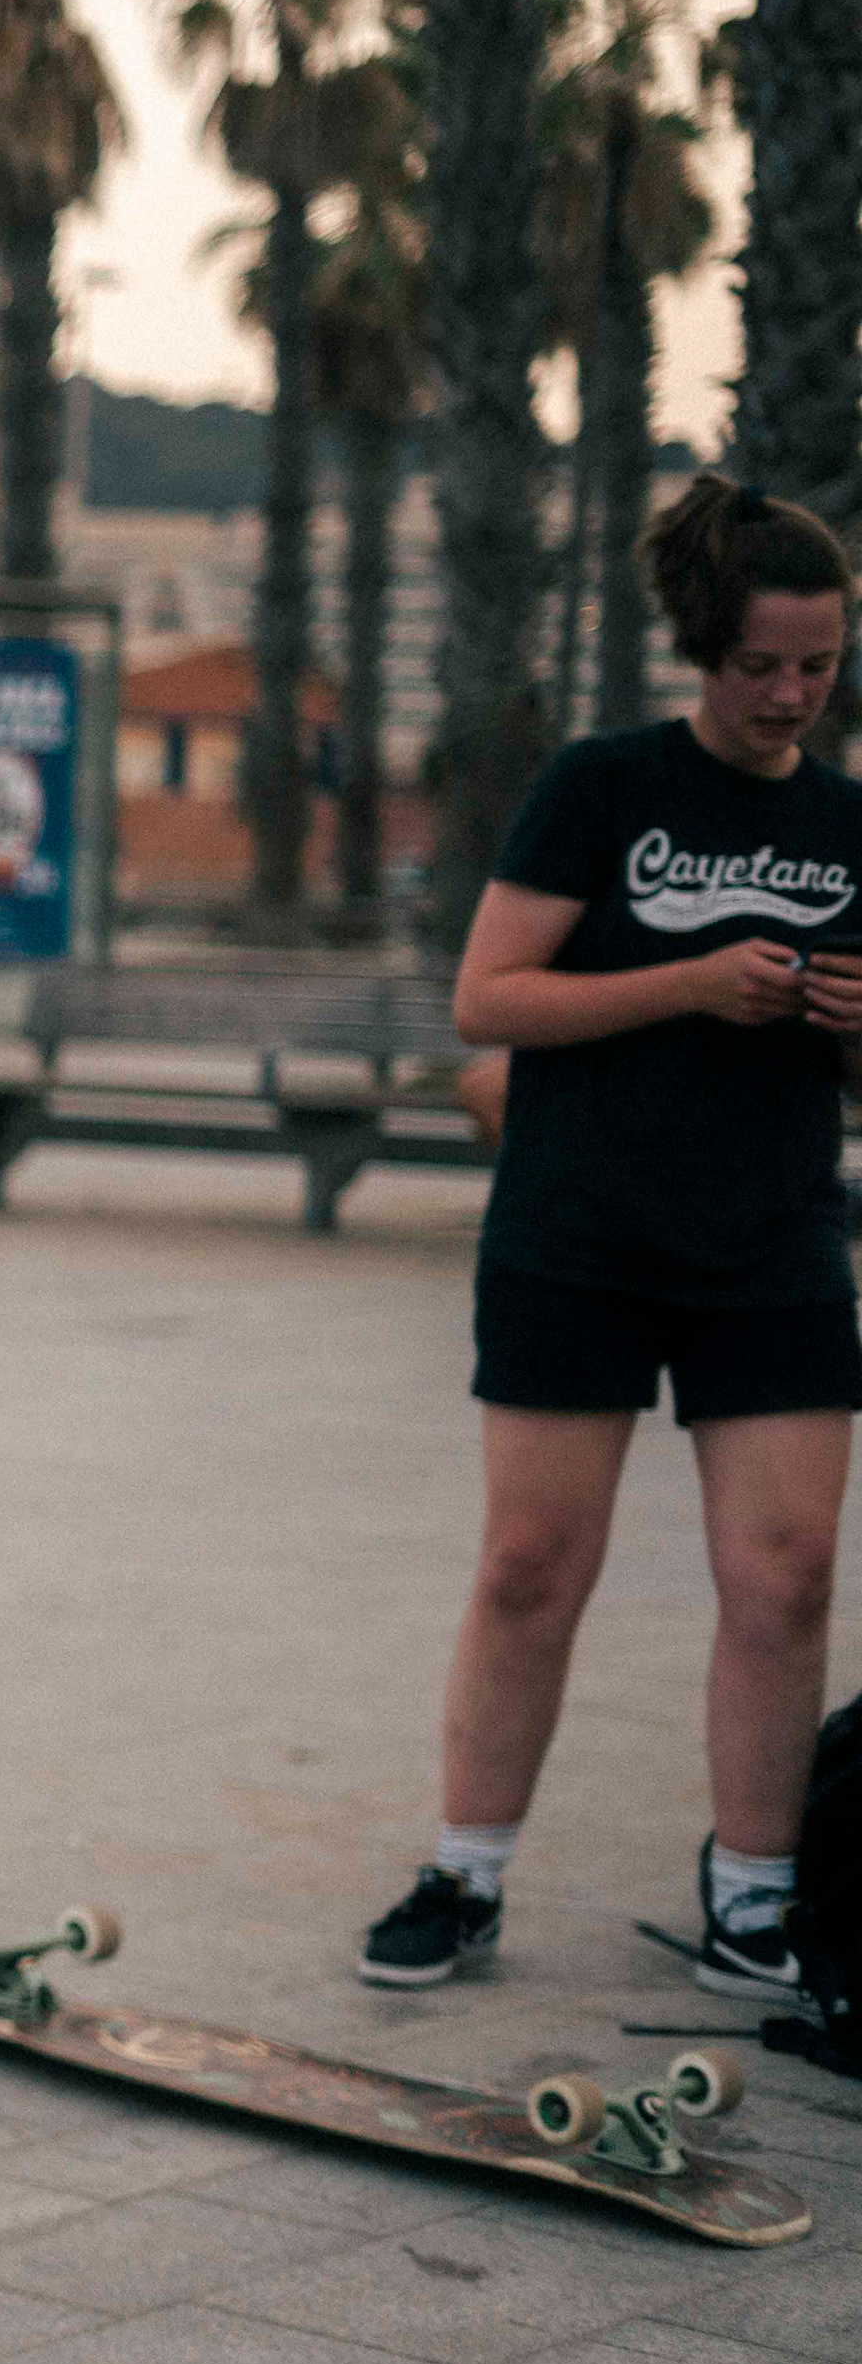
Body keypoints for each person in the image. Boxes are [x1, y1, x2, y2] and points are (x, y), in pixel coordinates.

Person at [359, 474, 860, 2002]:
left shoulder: (849, 824)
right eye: (760, 664)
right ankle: (467, 1870)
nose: (788, 695)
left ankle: (757, 1897)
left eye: (819, 666)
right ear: (701, 651)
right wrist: (691, 982)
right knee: (531, 1565)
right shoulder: (602, 785)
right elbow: (489, 1001)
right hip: (575, 1227)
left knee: (784, 1577)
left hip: (772, 1243)